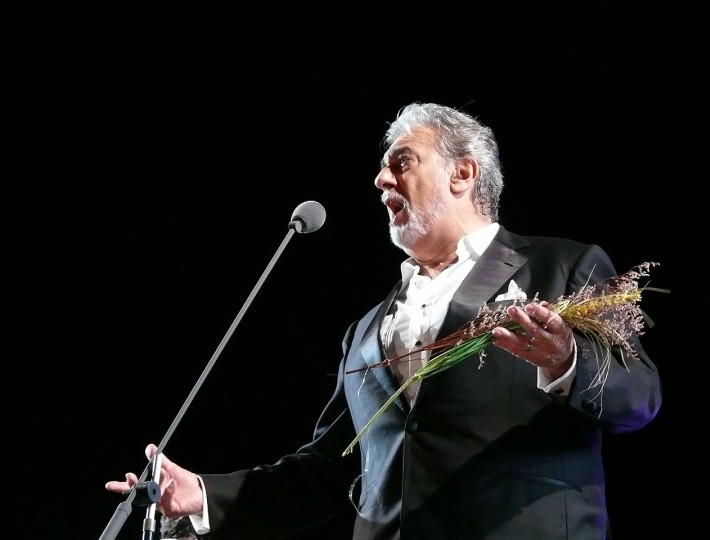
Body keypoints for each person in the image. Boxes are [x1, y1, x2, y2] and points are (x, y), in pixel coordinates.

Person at [105, 102, 662, 539]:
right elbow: (327, 469)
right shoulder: (367, 331)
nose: (380, 181)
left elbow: (639, 397)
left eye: (401, 162)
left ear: (463, 173)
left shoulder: (563, 266)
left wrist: (568, 361)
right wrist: (202, 495)